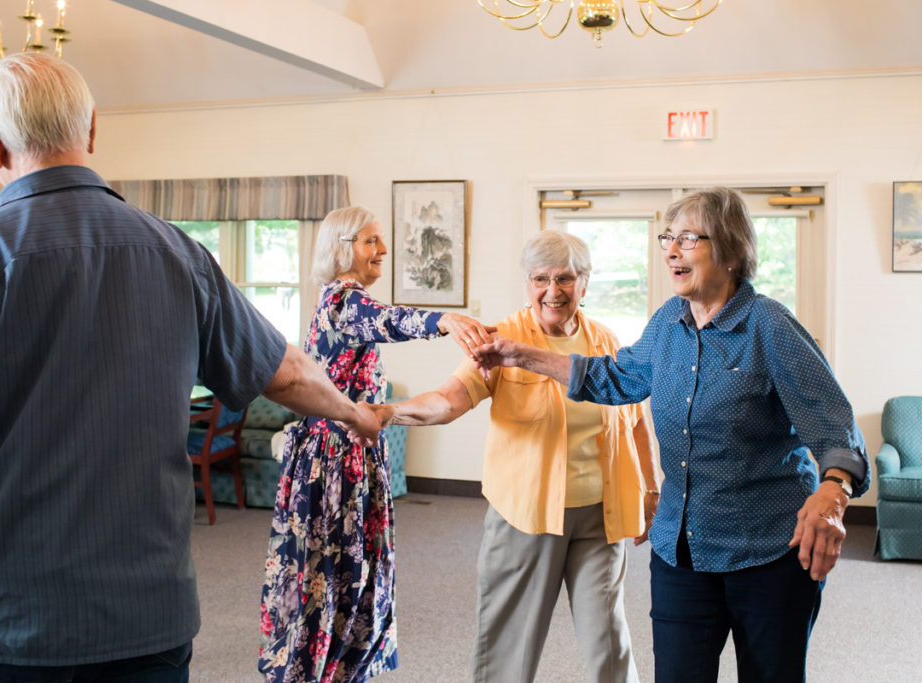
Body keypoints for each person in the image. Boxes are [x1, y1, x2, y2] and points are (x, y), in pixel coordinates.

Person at [0, 53, 384, 683]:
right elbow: (286, 371)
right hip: (148, 622)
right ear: (92, 129)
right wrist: (356, 413)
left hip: (7, 629)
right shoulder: (179, 252)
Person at [474, 187, 870, 683]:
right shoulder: (668, 324)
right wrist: (519, 354)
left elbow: (836, 425)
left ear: (727, 248)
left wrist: (833, 492)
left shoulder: (769, 325)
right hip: (682, 551)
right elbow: (613, 378)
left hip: (766, 553)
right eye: (668, 237)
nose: (671, 250)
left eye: (687, 238)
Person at [372, 230, 660, 683]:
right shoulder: (501, 338)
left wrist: (649, 488)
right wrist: (388, 412)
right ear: (527, 284)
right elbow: (450, 401)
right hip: (527, 517)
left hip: (599, 516)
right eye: (540, 278)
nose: (553, 291)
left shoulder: (604, 339)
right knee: (511, 647)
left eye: (565, 278)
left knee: (609, 641)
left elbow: (636, 419)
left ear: (584, 283)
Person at [258, 206, 494, 683]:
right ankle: (319, 670)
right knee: (332, 574)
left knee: (357, 569)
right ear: (344, 248)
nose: (382, 250)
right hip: (333, 462)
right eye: (370, 241)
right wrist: (442, 321)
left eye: (380, 241)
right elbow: (387, 320)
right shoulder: (345, 301)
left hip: (352, 455)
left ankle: (344, 669)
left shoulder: (341, 299)